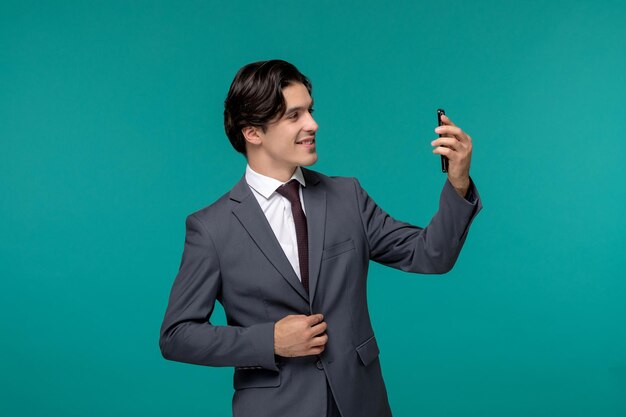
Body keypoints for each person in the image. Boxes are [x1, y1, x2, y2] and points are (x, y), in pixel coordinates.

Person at [159, 59, 482, 417]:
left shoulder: (347, 197)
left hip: (362, 403)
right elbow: (177, 336)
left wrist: (458, 182)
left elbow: (430, 255)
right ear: (253, 132)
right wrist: (270, 341)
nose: (313, 124)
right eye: (294, 116)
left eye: (309, 111)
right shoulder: (211, 228)